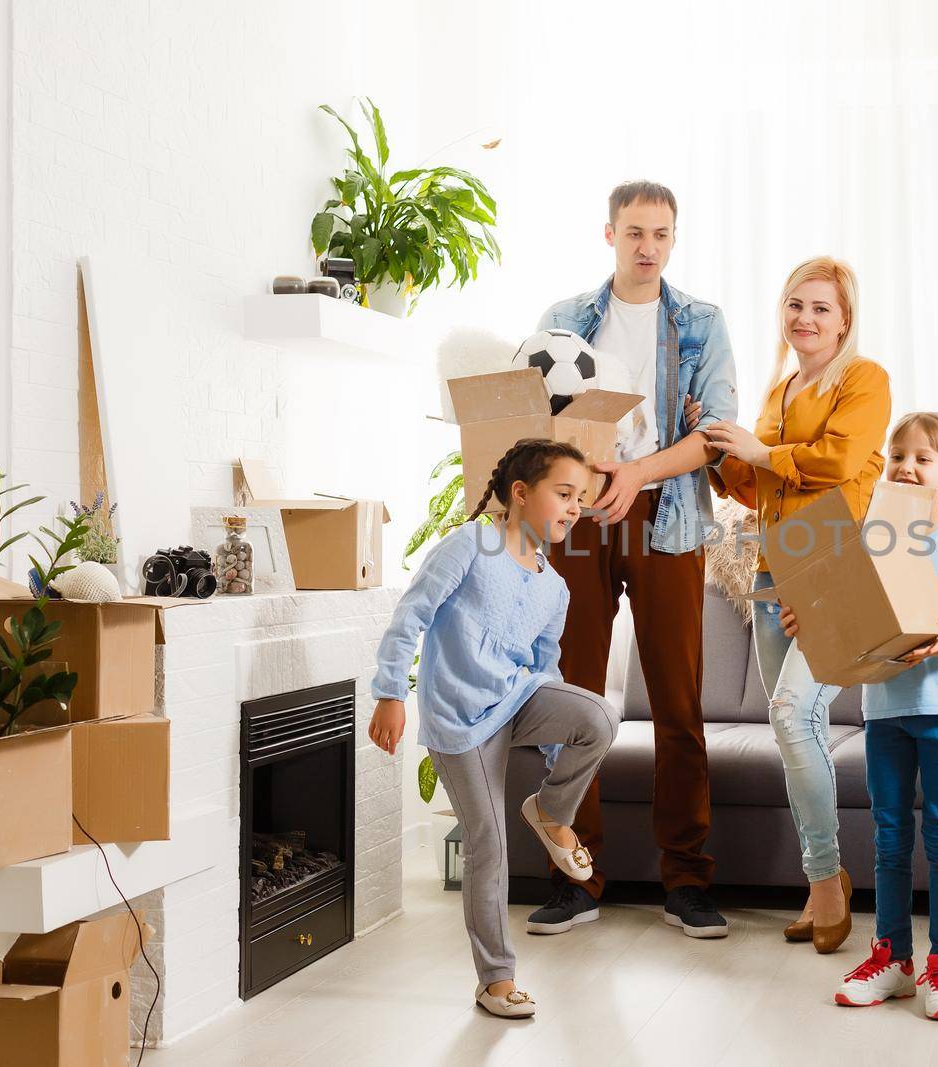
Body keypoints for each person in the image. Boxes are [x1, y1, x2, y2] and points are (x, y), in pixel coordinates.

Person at [526, 180, 740, 940]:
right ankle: (573, 877)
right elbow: (536, 423)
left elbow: (713, 433)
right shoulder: (565, 321)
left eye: (661, 233)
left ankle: (686, 880)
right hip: (578, 515)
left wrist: (638, 473)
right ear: (609, 233)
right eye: (634, 231)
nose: (648, 245)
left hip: (667, 516)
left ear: (673, 239)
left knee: (679, 701)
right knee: (572, 697)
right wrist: (586, 484)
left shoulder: (702, 323)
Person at [367, 439, 619, 1019]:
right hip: (460, 719)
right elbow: (412, 615)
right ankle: (496, 979)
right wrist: (388, 694)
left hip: (517, 698)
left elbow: (544, 668)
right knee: (489, 843)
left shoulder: (555, 585)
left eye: (580, 497)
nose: (574, 506)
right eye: (563, 493)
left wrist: (560, 757)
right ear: (520, 494)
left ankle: (551, 813)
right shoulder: (470, 544)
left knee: (599, 715)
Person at [691, 255, 892, 954]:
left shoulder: (863, 380)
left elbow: (836, 462)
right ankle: (821, 882)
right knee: (791, 728)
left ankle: (828, 881)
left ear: (845, 321)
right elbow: (759, 489)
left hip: (836, 566)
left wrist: (761, 451)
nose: (805, 318)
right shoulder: (779, 393)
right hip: (777, 571)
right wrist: (719, 449)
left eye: (821, 308)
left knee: (791, 710)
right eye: (795, 305)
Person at [794, 412, 938, 1021]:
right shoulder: (868, 539)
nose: (907, 467)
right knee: (889, 838)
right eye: (898, 456)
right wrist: (805, 618)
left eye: (923, 458)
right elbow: (838, 620)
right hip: (883, 710)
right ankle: (892, 958)